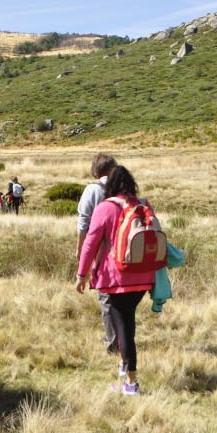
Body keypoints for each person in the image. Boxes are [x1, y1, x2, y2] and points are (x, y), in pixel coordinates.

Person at [76, 165, 156, 396]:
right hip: (143, 277)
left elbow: (91, 242)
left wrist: (82, 274)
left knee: (124, 329)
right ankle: (123, 373)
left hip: (116, 277)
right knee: (126, 323)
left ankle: (131, 383)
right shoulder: (143, 205)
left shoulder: (105, 208)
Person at [76, 153, 119, 354]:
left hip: (103, 252)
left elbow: (84, 225)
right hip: (127, 251)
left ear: (96, 170)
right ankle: (123, 338)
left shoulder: (92, 190)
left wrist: (81, 254)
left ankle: (113, 344)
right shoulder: (125, 189)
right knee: (123, 299)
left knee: (107, 298)